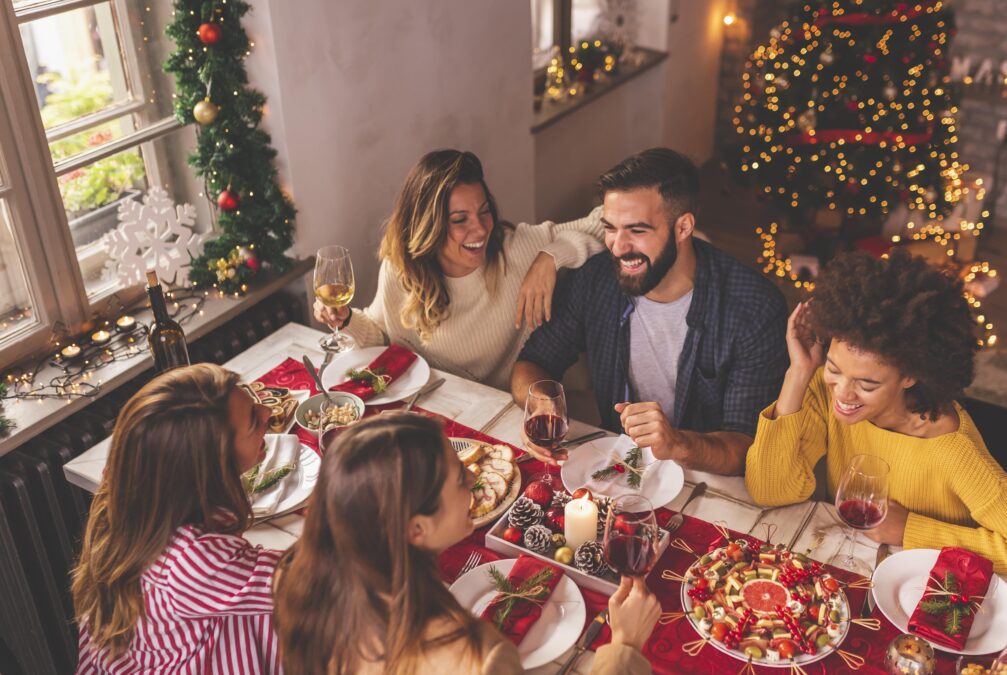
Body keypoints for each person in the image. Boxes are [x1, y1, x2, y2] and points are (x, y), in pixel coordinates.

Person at [744, 250, 1007, 580]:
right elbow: (770, 491)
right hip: (849, 565)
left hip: (930, 583)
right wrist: (799, 373)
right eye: (834, 369)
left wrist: (910, 530)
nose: (843, 393)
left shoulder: (952, 452)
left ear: (909, 376)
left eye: (867, 384)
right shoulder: (824, 389)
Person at [273, 412, 659, 674]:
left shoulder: (296, 577)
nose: (474, 484)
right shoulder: (477, 658)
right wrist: (625, 646)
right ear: (416, 529)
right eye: (460, 479)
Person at [512, 148, 788, 475]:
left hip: (710, 480)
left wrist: (678, 443)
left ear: (683, 227)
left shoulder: (754, 307)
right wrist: (544, 407)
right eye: (611, 228)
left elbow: (747, 447)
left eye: (637, 231)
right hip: (621, 470)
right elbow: (533, 363)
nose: (618, 246)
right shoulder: (595, 279)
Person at [314, 149, 605, 390]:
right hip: (438, 412)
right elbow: (381, 333)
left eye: (483, 211)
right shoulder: (400, 268)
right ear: (428, 226)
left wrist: (549, 258)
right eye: (459, 219)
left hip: (510, 413)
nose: (480, 229)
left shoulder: (517, 250)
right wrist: (346, 319)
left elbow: (607, 218)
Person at [71, 364, 283, 673]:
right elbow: (311, 577)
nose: (268, 412)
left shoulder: (134, 491)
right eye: (254, 420)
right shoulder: (195, 561)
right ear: (214, 465)